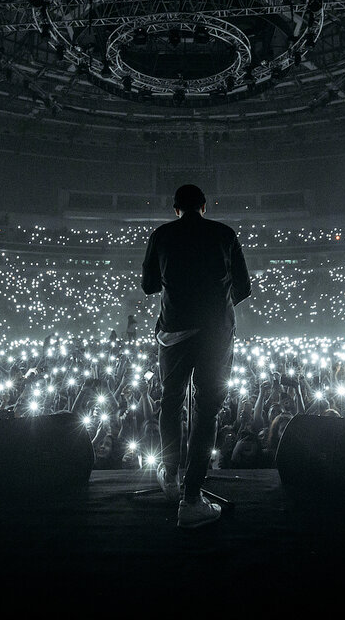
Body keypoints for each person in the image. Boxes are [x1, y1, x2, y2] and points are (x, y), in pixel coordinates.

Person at [142, 184, 251, 528]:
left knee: (171, 402)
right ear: (204, 206)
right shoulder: (224, 233)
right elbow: (244, 287)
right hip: (216, 333)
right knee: (206, 411)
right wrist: (216, 301)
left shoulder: (162, 234)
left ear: (176, 208)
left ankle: (170, 474)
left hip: (174, 332)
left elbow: (149, 285)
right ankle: (191, 500)